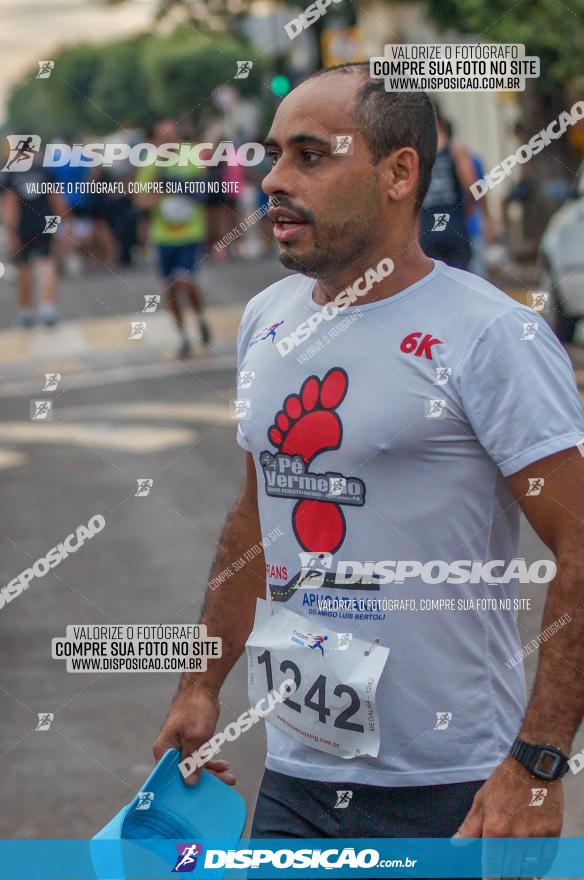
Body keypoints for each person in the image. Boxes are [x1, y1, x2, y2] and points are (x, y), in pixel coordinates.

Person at [154, 65, 584, 861]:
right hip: (295, 775)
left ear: (398, 173)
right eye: (275, 154)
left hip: (451, 787)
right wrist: (201, 684)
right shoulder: (265, 320)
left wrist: (539, 762)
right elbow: (256, 516)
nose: (275, 181)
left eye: (311, 156)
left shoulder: (491, 337)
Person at [136, 120, 211, 359]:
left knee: (185, 281)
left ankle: (199, 318)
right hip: (163, 235)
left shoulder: (191, 154)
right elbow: (140, 200)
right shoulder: (150, 163)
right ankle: (182, 337)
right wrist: (160, 196)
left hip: (190, 232)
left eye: (172, 134)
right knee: (170, 288)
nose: (168, 140)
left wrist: (182, 187)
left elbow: (205, 188)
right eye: (163, 136)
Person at [1, 153, 68, 326]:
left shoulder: (11, 173)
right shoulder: (44, 170)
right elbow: (57, 199)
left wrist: (11, 231)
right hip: (45, 222)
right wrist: (65, 224)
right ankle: (48, 308)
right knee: (47, 264)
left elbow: (10, 205)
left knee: (23, 268)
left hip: (22, 226)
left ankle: (26, 312)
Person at [419, 109, 476, 270]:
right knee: (460, 281)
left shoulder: (417, 153)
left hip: (427, 228)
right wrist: (470, 209)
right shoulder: (455, 149)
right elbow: (472, 186)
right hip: (454, 224)